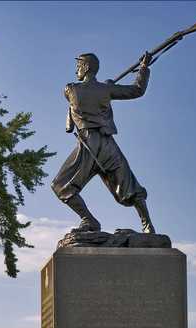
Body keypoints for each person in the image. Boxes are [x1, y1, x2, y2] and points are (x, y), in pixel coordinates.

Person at [51, 51, 156, 234]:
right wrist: (143, 68)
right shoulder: (106, 90)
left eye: (78, 66)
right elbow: (137, 90)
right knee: (128, 184)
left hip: (88, 145)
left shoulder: (71, 89)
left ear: (85, 67)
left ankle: (89, 220)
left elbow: (76, 97)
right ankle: (147, 224)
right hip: (107, 144)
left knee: (61, 185)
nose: (76, 70)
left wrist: (104, 87)